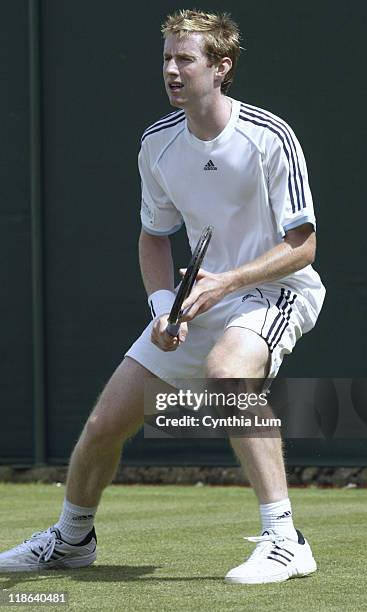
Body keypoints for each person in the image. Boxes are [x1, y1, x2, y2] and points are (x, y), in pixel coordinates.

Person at [0, 9, 325, 583]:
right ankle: (73, 539)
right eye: (167, 58)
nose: (172, 69)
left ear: (221, 68)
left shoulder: (269, 138)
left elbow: (303, 246)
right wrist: (161, 308)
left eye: (186, 58)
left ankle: (285, 540)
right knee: (105, 422)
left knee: (229, 374)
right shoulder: (157, 144)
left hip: (274, 289)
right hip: (197, 297)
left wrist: (226, 280)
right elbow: (154, 237)